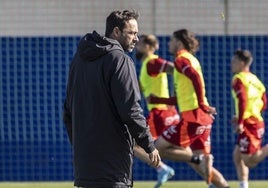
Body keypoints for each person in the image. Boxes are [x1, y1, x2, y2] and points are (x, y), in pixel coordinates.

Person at [62, 9, 161, 188]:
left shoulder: (78, 60)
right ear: (116, 32)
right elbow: (130, 110)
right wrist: (149, 145)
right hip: (112, 167)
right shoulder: (120, 60)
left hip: (85, 165)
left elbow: (67, 111)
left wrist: (81, 146)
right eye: (131, 33)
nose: (136, 39)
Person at [148, 29, 230, 188]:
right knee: (204, 170)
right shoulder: (191, 59)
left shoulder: (180, 59)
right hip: (202, 118)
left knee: (158, 148)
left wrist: (202, 103)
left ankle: (198, 159)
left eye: (171, 41)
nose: (168, 44)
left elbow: (195, 77)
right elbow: (184, 94)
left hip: (193, 118)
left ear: (179, 42)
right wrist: (159, 99)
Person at [135, 34, 180, 187]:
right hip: (163, 113)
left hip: (161, 114)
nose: (136, 45)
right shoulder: (147, 64)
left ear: (148, 46)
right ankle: (205, 168)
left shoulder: (152, 62)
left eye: (140, 43)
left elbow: (175, 69)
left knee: (135, 144)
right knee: (180, 150)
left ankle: (163, 169)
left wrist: (172, 98)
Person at [231, 49, 268, 188]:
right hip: (254, 120)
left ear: (241, 63)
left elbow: (243, 100)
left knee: (249, 161)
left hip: (249, 124)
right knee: (237, 155)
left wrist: (241, 121)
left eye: (234, 61)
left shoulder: (239, 79)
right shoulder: (255, 80)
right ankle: (243, 185)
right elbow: (264, 102)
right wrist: (245, 115)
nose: (231, 64)